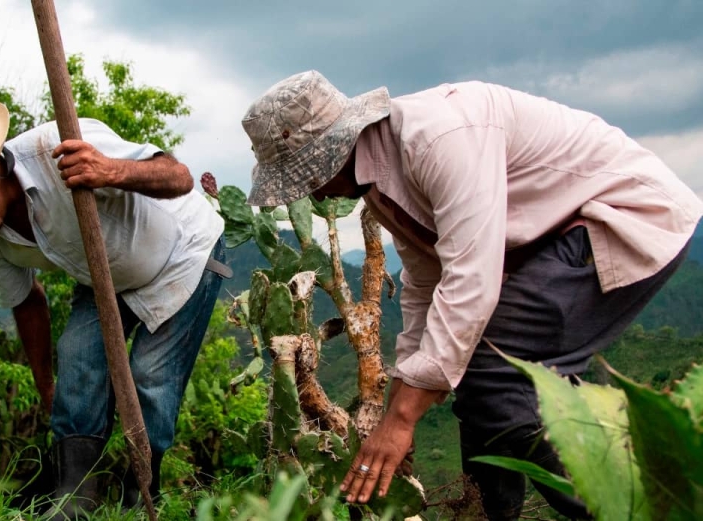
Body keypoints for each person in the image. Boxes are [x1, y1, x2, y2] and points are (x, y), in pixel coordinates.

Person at [240, 71, 702, 520]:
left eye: (302, 177)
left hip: (620, 217)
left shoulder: (437, 140)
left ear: (330, 152)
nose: (309, 193)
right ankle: (485, 511)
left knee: (494, 374)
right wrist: (404, 392)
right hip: (550, 239)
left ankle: (626, 508)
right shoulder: (379, 183)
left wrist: (401, 421)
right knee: (473, 378)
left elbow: (471, 283)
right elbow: (425, 286)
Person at [0, 103, 229, 519]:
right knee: (77, 361)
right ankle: (74, 498)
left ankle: (139, 493)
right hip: (102, 271)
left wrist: (110, 171)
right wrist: (45, 383)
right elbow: (26, 301)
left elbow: (178, 176)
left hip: (185, 254)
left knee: (150, 378)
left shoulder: (56, 147)